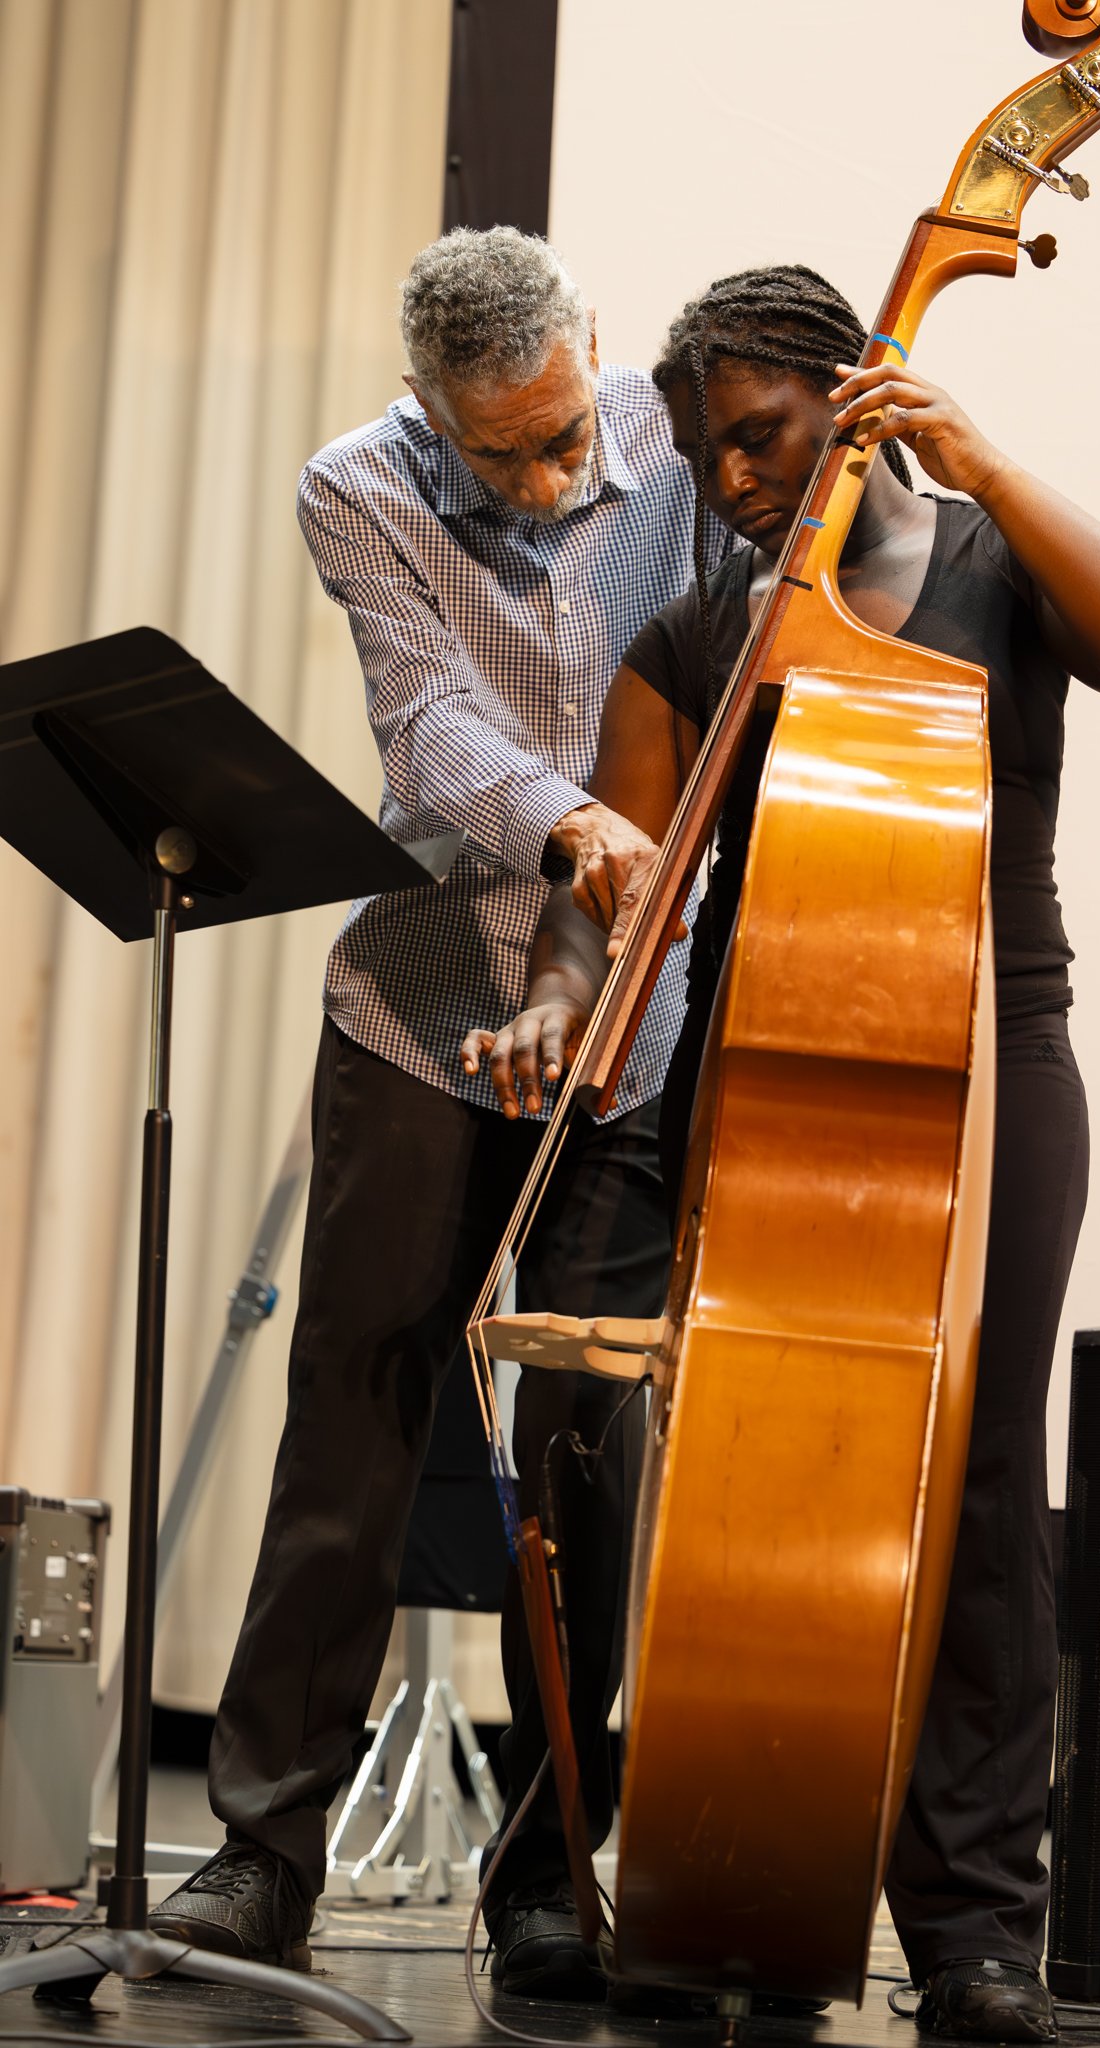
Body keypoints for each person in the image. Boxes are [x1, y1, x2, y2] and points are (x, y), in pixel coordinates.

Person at [464, 264, 1100, 2042]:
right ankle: (642, 1870)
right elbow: (612, 877)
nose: (731, 483)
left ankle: (973, 1934)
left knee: (978, 1474)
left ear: (852, 396)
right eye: (703, 458)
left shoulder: (993, 564)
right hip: (754, 1069)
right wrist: (557, 1000)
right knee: (653, 1453)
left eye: (760, 438)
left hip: (989, 1053)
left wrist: (984, 459)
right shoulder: (700, 637)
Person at [149, 226, 733, 2001]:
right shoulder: (360, 485)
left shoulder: (677, 438)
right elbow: (421, 728)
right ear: (426, 406)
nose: (546, 479)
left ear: (588, 354)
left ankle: (550, 1875)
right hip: (422, 997)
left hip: (631, 1022)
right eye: (501, 454)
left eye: (561, 438)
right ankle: (263, 1856)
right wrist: (571, 819)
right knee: (353, 1422)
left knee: (587, 1449)